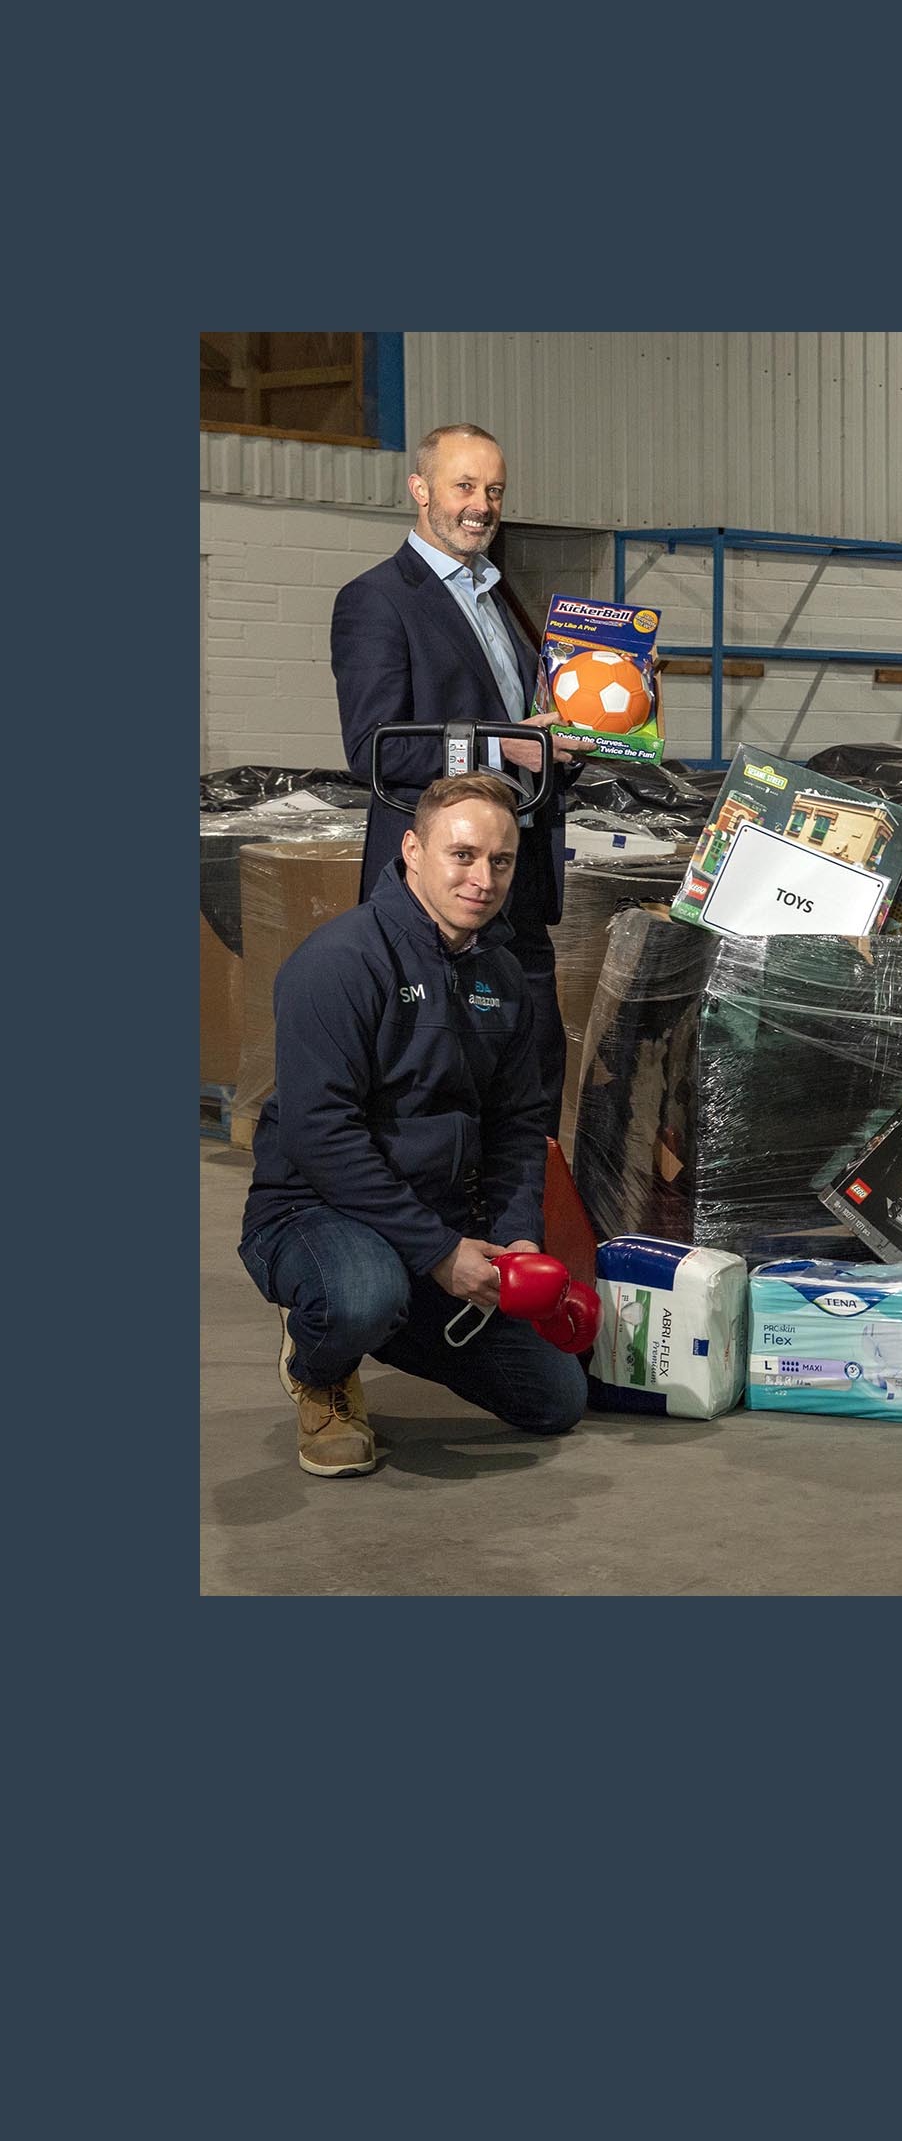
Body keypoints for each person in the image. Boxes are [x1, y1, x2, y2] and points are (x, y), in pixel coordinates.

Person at [238, 774, 588, 1477]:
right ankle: (322, 1364)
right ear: (412, 851)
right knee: (362, 1294)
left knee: (555, 1399)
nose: (482, 879)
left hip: (442, 1224)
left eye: (500, 861)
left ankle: (378, 1315)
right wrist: (436, 1251)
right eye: (462, 855)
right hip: (316, 1210)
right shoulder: (341, 963)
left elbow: (519, 1124)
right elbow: (321, 1136)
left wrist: (518, 1234)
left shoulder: (502, 974)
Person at [331, 423, 590, 1131]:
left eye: (494, 490)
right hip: (438, 895)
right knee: (442, 1084)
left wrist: (583, 734)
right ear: (420, 490)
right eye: (464, 486)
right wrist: (508, 750)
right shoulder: (378, 600)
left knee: (531, 1075)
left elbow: (521, 725)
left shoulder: (497, 600)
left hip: (518, 875)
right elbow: (377, 749)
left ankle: (518, 1236)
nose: (482, 504)